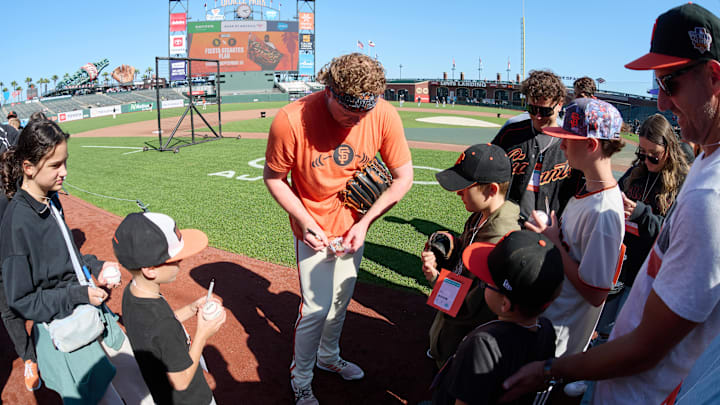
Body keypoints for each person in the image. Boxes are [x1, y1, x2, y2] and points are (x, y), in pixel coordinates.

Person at [500, 5, 720, 404]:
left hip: (639, 392)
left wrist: (551, 370)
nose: (661, 105)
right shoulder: (706, 159)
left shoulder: (711, 197)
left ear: (714, 76)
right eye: (657, 88)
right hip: (614, 380)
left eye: (670, 85)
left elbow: (641, 343)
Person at [263, 52, 413, 405]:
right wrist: (305, 221)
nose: (357, 121)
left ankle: (329, 358)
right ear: (329, 90)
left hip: (353, 228)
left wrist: (364, 223)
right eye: (350, 113)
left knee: (340, 303)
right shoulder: (290, 120)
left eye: (364, 113)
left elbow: (403, 177)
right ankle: (301, 378)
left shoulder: (382, 114)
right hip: (312, 229)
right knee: (314, 309)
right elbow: (274, 178)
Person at [0, 119, 152, 404]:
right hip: (68, 334)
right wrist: (79, 293)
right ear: (29, 168)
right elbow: (21, 300)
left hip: (93, 316)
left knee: (141, 390)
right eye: (55, 165)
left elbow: (69, 255)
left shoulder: (50, 199)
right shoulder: (17, 223)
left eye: (65, 162)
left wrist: (96, 267)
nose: (65, 172)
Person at [526, 98, 626, 358]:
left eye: (567, 138)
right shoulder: (589, 188)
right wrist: (554, 234)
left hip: (558, 339)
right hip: (549, 319)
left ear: (591, 145)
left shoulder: (604, 212)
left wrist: (554, 243)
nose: (562, 145)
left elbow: (595, 293)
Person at [431, 230, 564, 405]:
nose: (483, 284)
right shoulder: (546, 330)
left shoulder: (483, 344)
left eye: (486, 283)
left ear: (505, 305)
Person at [422, 143, 521, 368]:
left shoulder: (499, 242)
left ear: (492, 190)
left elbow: (474, 309)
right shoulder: (482, 215)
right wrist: (450, 248)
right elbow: (465, 261)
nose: (458, 193)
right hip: (449, 334)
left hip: (464, 348)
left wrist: (436, 279)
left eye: (465, 187)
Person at [595, 113, 690, 341]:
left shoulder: (682, 182)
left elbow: (672, 236)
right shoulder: (636, 173)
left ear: (669, 148)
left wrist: (640, 213)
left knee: (623, 337)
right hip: (619, 270)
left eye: (653, 156)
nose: (646, 161)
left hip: (648, 277)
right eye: (641, 153)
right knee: (602, 332)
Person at [115, 212, 224, 405]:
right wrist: (202, 335)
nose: (180, 264)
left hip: (161, 393)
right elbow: (181, 381)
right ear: (150, 270)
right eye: (175, 260)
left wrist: (191, 309)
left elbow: (155, 330)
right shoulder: (162, 324)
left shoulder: (133, 293)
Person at [491, 70, 576, 222]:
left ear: (559, 105)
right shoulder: (511, 133)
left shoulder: (570, 141)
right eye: (532, 109)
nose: (537, 116)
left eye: (545, 110)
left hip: (553, 228)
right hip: (509, 221)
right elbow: (489, 166)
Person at [0, 120, 38, 391]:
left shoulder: (7, 131)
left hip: (18, 226)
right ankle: (28, 356)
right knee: (6, 307)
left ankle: (51, 345)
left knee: (37, 288)